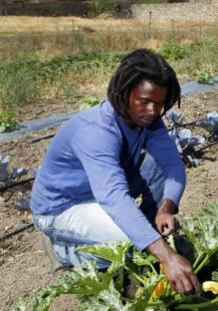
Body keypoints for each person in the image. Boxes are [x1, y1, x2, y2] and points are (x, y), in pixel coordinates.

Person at [30, 48, 200, 294]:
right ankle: (62, 249)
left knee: (158, 170)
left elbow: (173, 166)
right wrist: (167, 257)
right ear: (123, 93)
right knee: (127, 243)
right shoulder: (97, 130)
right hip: (61, 207)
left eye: (160, 103)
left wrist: (166, 208)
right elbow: (114, 196)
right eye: (144, 101)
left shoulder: (148, 120)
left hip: (98, 191)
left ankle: (148, 234)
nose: (153, 111)